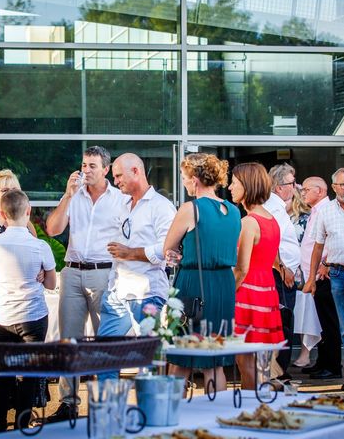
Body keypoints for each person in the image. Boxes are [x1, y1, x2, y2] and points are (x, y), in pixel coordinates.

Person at [45, 146, 126, 422]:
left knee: (105, 341)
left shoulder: (120, 199)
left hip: (104, 273)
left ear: (106, 169)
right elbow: (53, 229)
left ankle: (107, 403)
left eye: (93, 166)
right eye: (84, 165)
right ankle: (68, 403)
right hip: (72, 272)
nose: (86, 170)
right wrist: (67, 196)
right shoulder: (74, 196)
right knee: (69, 341)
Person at [164, 153, 241, 392]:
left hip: (194, 286)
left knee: (181, 357)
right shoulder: (234, 211)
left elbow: (168, 247)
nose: (184, 182)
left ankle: (172, 415)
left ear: (195, 179)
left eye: (184, 177)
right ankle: (215, 415)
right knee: (214, 360)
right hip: (223, 287)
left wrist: (176, 253)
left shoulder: (190, 209)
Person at [97, 153, 176, 372]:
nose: (115, 181)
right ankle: (107, 405)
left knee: (147, 362)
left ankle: (148, 406)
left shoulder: (162, 207)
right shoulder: (122, 205)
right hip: (116, 291)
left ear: (136, 171)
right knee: (103, 357)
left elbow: (167, 248)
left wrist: (130, 253)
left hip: (147, 293)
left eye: (119, 175)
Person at [0, 190, 57, 433]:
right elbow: (51, 284)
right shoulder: (40, 247)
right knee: (29, 376)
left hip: (4, 318)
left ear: (3, 215)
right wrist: (40, 275)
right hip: (33, 317)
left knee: (4, 373)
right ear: (28, 212)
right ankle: (22, 426)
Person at [229, 162, 284, 390]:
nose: (230, 187)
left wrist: (225, 292)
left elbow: (242, 268)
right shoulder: (271, 219)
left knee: (246, 361)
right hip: (266, 291)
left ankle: (249, 408)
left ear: (247, 185)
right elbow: (274, 260)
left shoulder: (249, 222)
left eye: (234, 183)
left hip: (248, 294)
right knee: (260, 362)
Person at [305, 168, 344, 389]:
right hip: (338, 275)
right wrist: (311, 278)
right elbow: (317, 248)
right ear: (335, 187)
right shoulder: (325, 211)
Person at [265, 163, 302, 380]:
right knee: (283, 321)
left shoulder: (278, 206)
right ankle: (278, 371)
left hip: (283, 272)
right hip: (280, 275)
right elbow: (271, 242)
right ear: (279, 187)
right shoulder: (274, 207)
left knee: (284, 321)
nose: (295, 186)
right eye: (291, 183)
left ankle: (279, 370)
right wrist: (283, 269)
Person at [292, 177, 332, 373]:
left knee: (327, 322)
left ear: (321, 191)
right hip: (311, 276)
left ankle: (331, 366)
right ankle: (323, 363)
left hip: (321, 276)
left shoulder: (327, 210)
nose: (303, 193)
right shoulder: (315, 211)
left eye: (307, 189)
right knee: (320, 320)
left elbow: (332, 240)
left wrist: (325, 264)